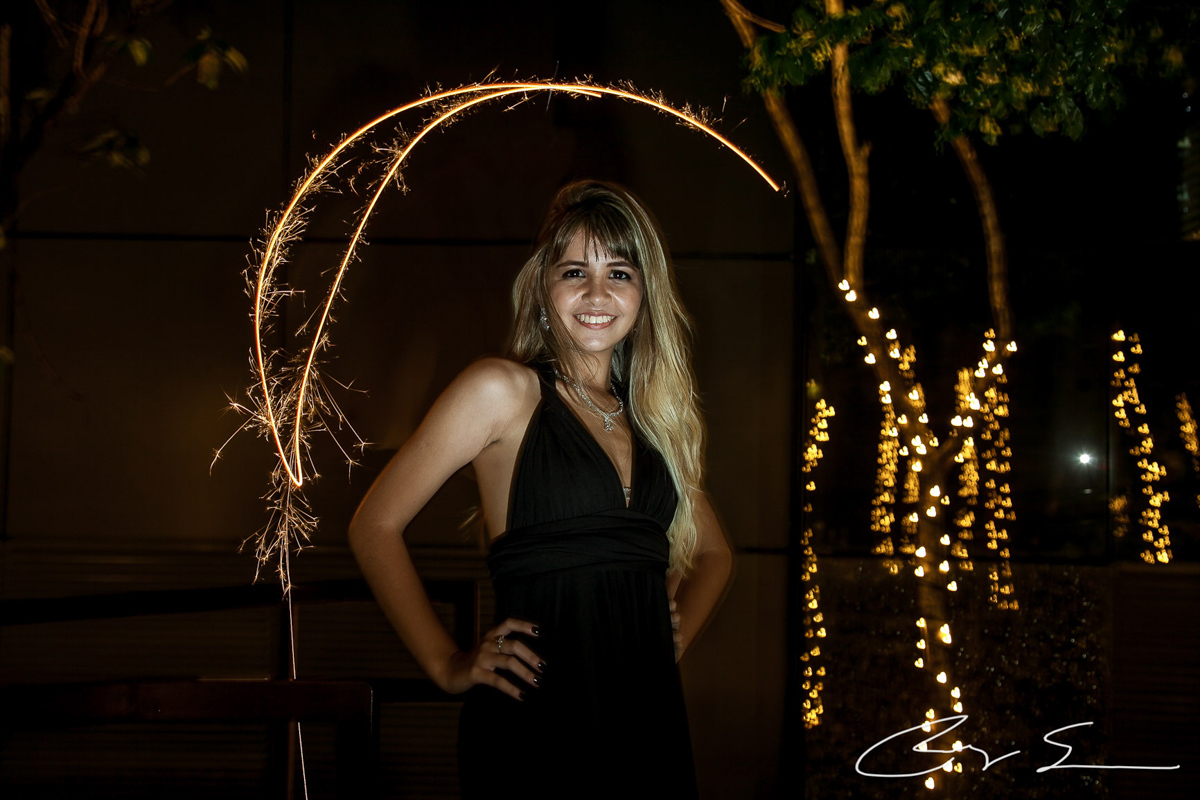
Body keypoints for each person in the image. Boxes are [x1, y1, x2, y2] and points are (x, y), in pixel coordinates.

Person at [348, 180, 733, 797]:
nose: (597, 293)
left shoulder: (653, 419)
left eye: (620, 272)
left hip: (647, 721)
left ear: (645, 291)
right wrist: (447, 664)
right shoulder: (501, 391)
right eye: (575, 270)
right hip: (537, 719)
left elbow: (716, 555)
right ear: (541, 285)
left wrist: (667, 631)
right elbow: (374, 527)